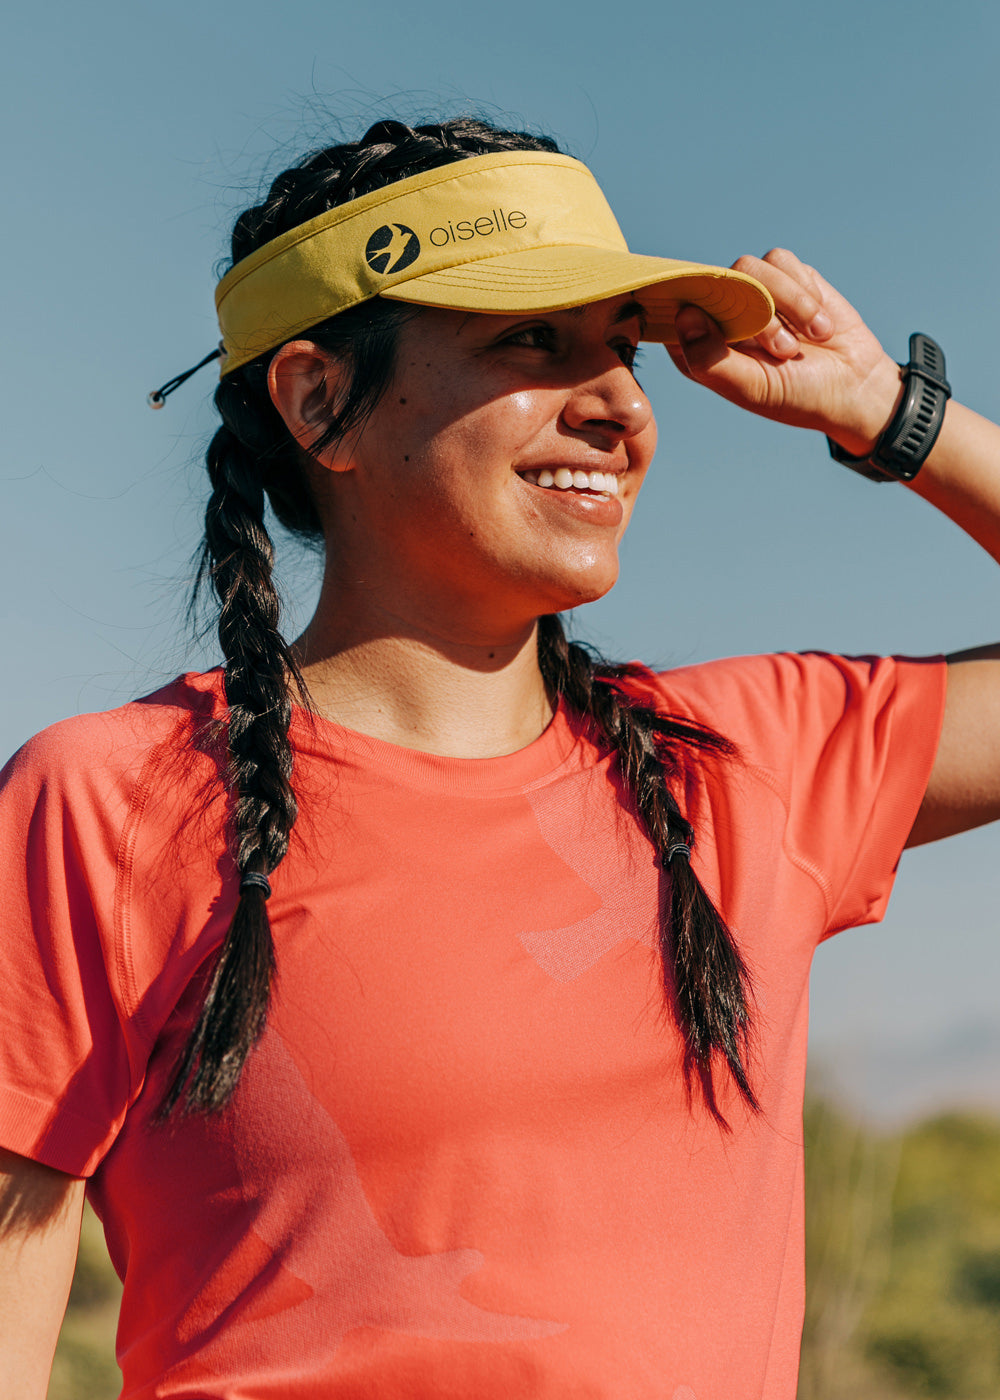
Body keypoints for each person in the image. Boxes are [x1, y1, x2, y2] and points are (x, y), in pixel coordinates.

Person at [1, 116, 998, 1400]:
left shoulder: (749, 763)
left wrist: (890, 414)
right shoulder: (105, 803)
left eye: (623, 348)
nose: (620, 404)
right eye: (532, 340)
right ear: (319, 400)